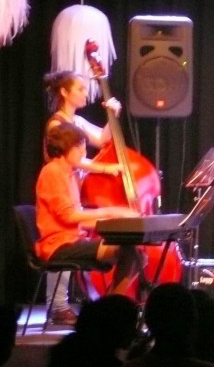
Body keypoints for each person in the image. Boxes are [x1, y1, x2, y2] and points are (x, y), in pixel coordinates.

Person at [41, 70, 124, 325]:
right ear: (64, 92)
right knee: (63, 237)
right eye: (80, 88)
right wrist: (105, 168)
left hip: (74, 186)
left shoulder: (76, 120)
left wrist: (112, 115)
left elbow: (101, 139)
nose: (86, 93)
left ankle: (99, 304)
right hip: (62, 187)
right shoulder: (57, 124)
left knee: (73, 236)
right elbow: (73, 159)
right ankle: (58, 305)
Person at [35, 122, 146, 298]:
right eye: (79, 146)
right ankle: (112, 304)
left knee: (137, 254)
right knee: (130, 253)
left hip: (73, 240)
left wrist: (116, 223)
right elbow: (69, 216)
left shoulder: (70, 174)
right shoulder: (52, 172)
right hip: (58, 246)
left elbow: (79, 221)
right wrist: (111, 212)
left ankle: (111, 302)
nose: (83, 152)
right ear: (65, 146)